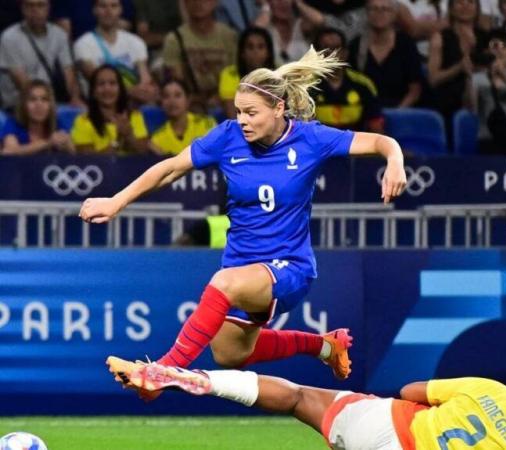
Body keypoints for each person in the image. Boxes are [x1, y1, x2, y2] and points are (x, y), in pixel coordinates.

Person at [79, 48, 408, 401]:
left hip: (289, 268)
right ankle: (324, 346)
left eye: (251, 112)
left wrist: (395, 161)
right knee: (229, 354)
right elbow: (171, 167)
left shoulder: (311, 139)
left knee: (223, 284)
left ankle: (162, 372)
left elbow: (379, 141)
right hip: (242, 265)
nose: (243, 120)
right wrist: (117, 201)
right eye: (238, 112)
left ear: (279, 109)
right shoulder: (227, 136)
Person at [108, 358, 506, 450]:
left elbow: (412, 391)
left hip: (379, 423)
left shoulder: (492, 389)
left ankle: (182, 376)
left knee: (297, 396)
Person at [0, 0, 82, 109]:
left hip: (50, 101)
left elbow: (69, 72)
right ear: (22, 9)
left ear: (48, 8)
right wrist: (47, 104)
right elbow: (21, 82)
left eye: (40, 5)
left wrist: (75, 97)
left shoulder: (59, 35)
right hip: (18, 104)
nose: (35, 10)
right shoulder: (9, 37)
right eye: (29, 6)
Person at [73, 0, 157, 105]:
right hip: (98, 107)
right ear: (94, 10)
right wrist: (132, 91)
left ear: (120, 10)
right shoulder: (83, 44)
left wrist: (144, 91)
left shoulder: (135, 42)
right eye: (103, 6)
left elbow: (145, 78)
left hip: (132, 106)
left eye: (114, 6)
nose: (108, 11)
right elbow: (99, 81)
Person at [162, 0, 238, 111]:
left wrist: (221, 97)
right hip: (191, 103)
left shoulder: (229, 36)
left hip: (226, 100)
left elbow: (236, 75)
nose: (198, 2)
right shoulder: (174, 39)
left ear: (215, 2)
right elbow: (177, 81)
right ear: (185, 4)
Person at [348, 0, 424, 108]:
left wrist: (397, 113)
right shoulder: (355, 46)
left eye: (385, 9)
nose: (379, 13)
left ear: (394, 15)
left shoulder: (406, 44)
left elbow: (415, 90)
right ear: (367, 13)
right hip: (366, 113)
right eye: (374, 9)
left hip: (400, 111)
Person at [467, 29, 506, 153]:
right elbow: (473, 108)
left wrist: (504, 76)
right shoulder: (478, 78)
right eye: (494, 45)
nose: (500, 50)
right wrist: (469, 77)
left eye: (504, 46)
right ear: (486, 51)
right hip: (488, 139)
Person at [312, 27, 385, 133]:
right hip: (320, 147)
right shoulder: (306, 86)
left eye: (337, 48)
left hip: (356, 146)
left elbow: (376, 126)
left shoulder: (363, 84)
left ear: (346, 53)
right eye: (326, 48)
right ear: (317, 54)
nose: (332, 54)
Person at [71, 64, 149, 153]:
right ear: (93, 92)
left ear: (120, 89)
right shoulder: (82, 121)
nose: (107, 89)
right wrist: (117, 141)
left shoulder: (135, 116)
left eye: (112, 83)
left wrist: (129, 135)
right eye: (101, 84)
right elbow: (89, 162)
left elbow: (144, 153)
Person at [0, 79, 74, 155]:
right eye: (32, 99)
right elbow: (9, 152)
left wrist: (67, 146)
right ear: (23, 105)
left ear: (50, 105)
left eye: (44, 99)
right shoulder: (13, 123)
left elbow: (73, 154)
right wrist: (47, 143)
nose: (39, 105)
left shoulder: (57, 123)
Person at [220, 26, 276, 120]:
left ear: (268, 53)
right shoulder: (229, 74)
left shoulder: (279, 75)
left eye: (260, 47)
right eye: (250, 47)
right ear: (242, 53)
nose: (255, 52)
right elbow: (233, 116)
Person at [150, 79, 217, 155]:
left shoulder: (207, 124)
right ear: (161, 102)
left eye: (177, 95)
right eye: (166, 96)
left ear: (188, 100)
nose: (172, 101)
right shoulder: (157, 140)